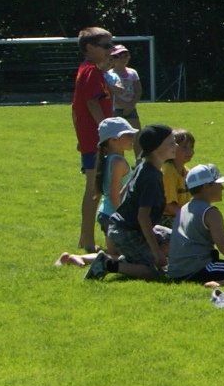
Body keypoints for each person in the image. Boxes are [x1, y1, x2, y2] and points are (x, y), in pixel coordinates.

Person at [88, 123, 177, 281]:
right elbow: (143, 217)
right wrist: (156, 252)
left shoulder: (145, 165)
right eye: (171, 143)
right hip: (126, 232)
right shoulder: (150, 177)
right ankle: (107, 264)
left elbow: (123, 193)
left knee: (177, 239)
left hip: (129, 229)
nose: (175, 146)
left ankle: (131, 260)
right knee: (155, 272)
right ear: (156, 148)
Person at [55, 117, 136, 273]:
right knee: (123, 257)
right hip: (114, 215)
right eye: (128, 135)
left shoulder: (108, 159)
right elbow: (115, 195)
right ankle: (78, 258)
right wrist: (124, 219)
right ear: (113, 140)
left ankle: (74, 258)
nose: (132, 138)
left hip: (107, 213)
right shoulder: (118, 162)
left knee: (116, 254)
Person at [72, 27, 117, 253]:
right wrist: (107, 132)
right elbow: (91, 103)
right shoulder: (90, 72)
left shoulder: (92, 71)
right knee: (94, 190)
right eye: (106, 46)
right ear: (90, 48)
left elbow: (75, 108)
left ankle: (85, 238)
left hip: (92, 139)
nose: (111, 49)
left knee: (95, 189)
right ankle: (88, 241)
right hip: (96, 141)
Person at [160, 128, 196, 221]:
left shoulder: (187, 172)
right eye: (184, 147)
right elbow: (169, 206)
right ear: (171, 149)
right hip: (165, 218)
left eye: (191, 147)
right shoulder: (168, 171)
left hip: (179, 214)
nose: (190, 151)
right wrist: (189, 218)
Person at [108, 45, 142, 128]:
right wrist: (124, 105)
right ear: (113, 58)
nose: (124, 59)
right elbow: (111, 93)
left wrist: (131, 105)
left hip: (131, 107)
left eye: (126, 56)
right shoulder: (109, 74)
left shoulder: (132, 72)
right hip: (116, 109)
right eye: (120, 57)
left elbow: (138, 90)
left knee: (136, 131)